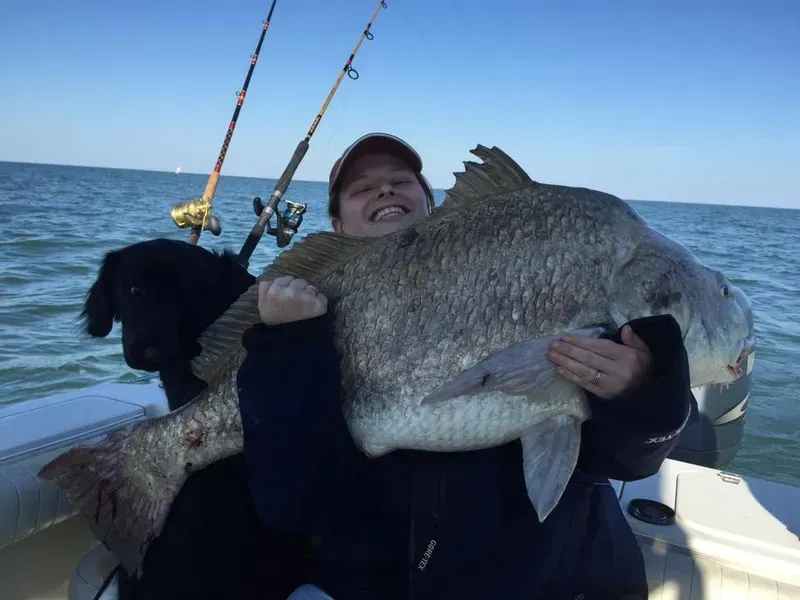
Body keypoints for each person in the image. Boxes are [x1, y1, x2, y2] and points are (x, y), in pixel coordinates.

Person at [236, 133, 694, 600]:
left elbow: (626, 461)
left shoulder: (533, 278)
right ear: (337, 225)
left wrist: (641, 392)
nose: (385, 191)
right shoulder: (297, 328)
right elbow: (298, 504)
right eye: (361, 189)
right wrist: (287, 349)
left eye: (400, 181)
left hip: (558, 578)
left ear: (432, 206)